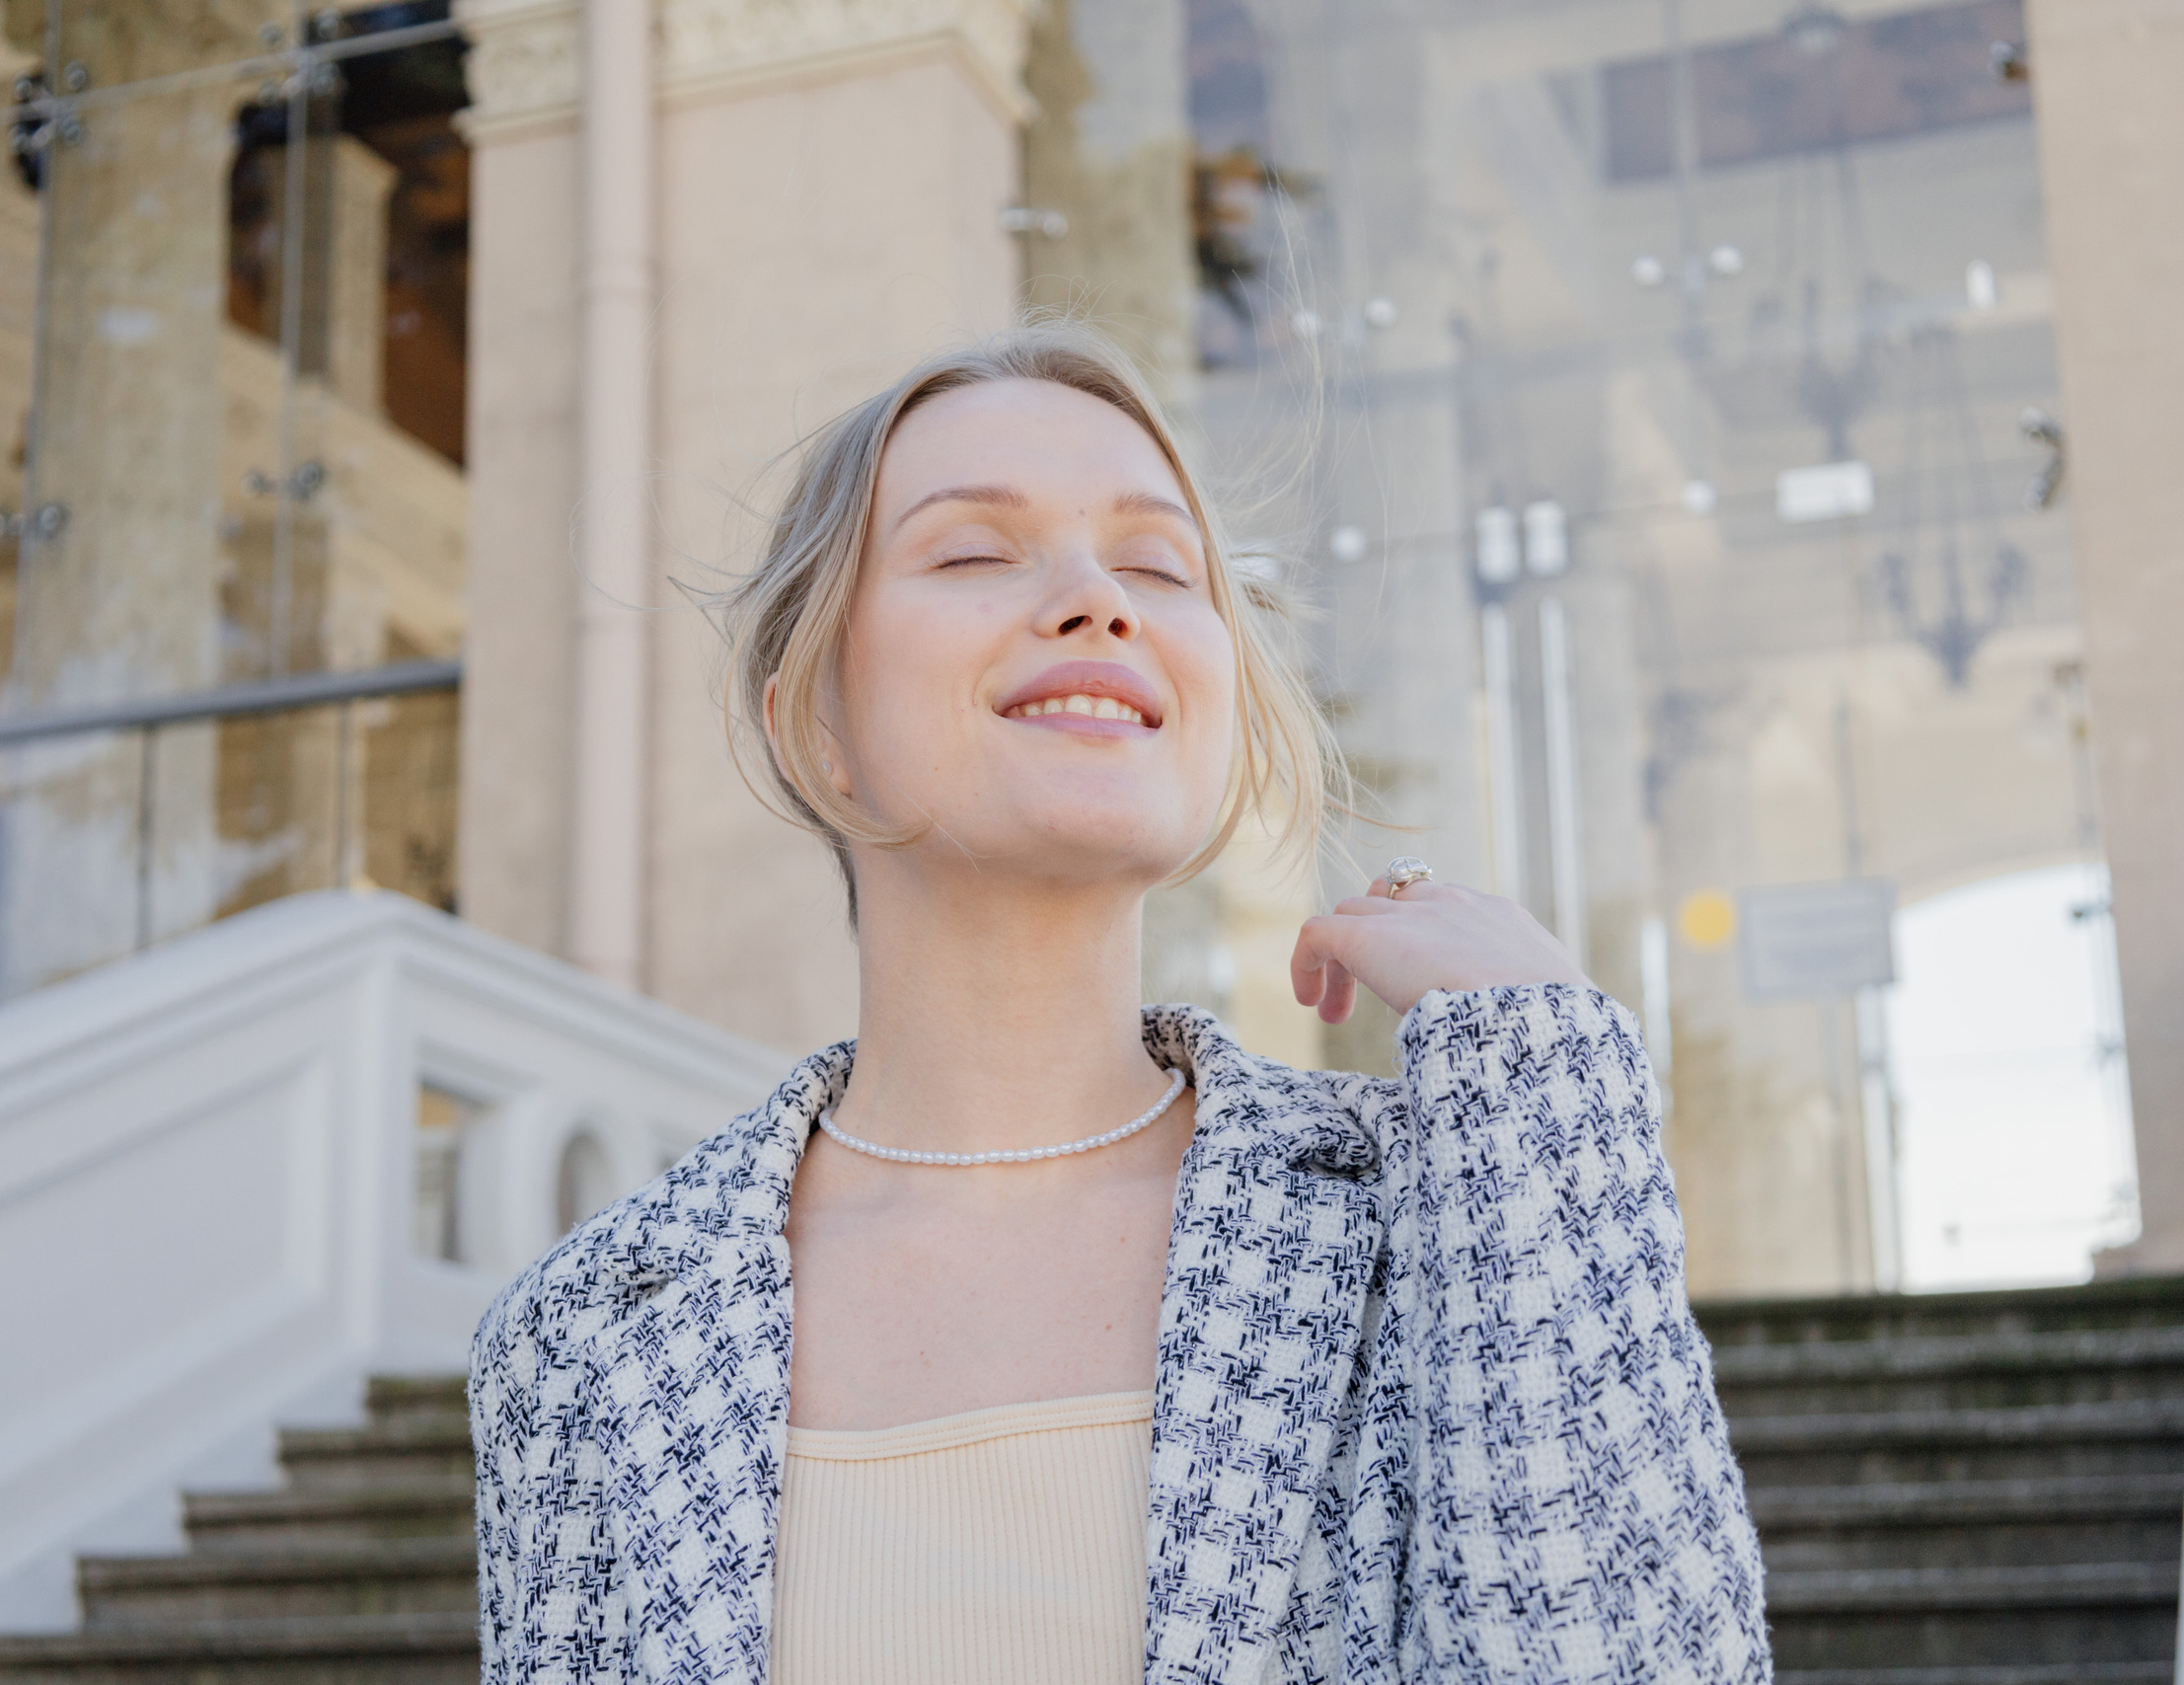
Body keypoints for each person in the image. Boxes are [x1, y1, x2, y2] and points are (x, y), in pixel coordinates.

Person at [467, 322, 1769, 1683]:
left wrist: (1540, 1055)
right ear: (817, 721)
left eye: (1160, 565)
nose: (1101, 600)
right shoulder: (589, 1334)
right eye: (972, 551)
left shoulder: (1437, 1212)